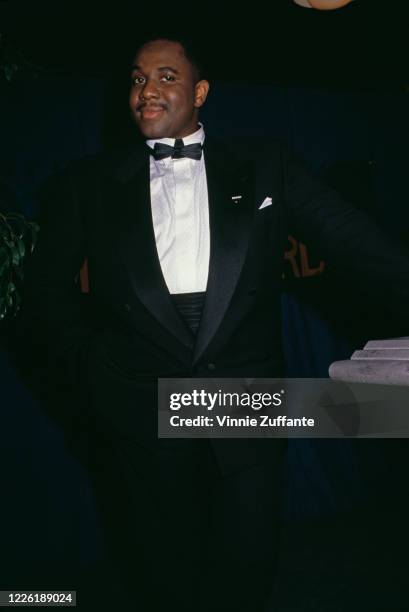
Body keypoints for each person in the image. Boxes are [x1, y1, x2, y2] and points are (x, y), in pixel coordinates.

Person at [22, 37, 409, 612]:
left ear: (200, 92)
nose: (146, 89)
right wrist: (92, 370)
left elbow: (355, 241)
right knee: (161, 573)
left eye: (165, 76)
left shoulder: (267, 163)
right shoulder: (85, 183)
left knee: (245, 571)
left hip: (245, 407)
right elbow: (44, 294)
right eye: (136, 78)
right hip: (139, 408)